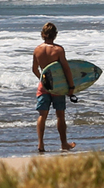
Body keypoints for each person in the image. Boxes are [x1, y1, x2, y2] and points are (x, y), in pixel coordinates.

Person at [32, 22, 76, 153]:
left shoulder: (37, 50)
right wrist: (71, 86)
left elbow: (34, 69)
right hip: (57, 86)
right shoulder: (58, 50)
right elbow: (66, 69)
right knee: (60, 115)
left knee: (42, 115)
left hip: (43, 86)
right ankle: (64, 144)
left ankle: (40, 144)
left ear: (42, 34)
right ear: (55, 35)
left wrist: (43, 80)